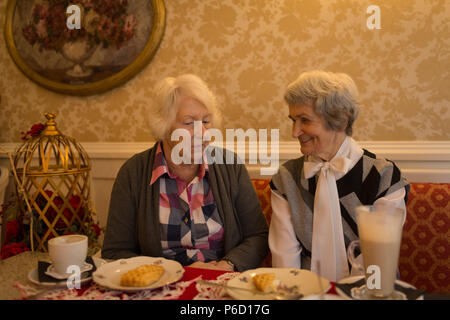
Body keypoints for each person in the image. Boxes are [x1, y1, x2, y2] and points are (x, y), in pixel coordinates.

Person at [102, 74, 269, 272]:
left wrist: (228, 265)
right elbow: (116, 251)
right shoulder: (133, 173)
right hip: (161, 287)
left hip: (222, 282)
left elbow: (258, 236)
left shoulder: (230, 166)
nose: (202, 133)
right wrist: (174, 271)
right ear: (162, 126)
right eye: (188, 123)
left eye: (206, 122)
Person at [269, 70, 409, 282]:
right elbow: (285, 260)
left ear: (340, 121)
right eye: (293, 120)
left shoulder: (383, 177)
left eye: (304, 120)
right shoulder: (286, 178)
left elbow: (375, 264)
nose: (294, 132)